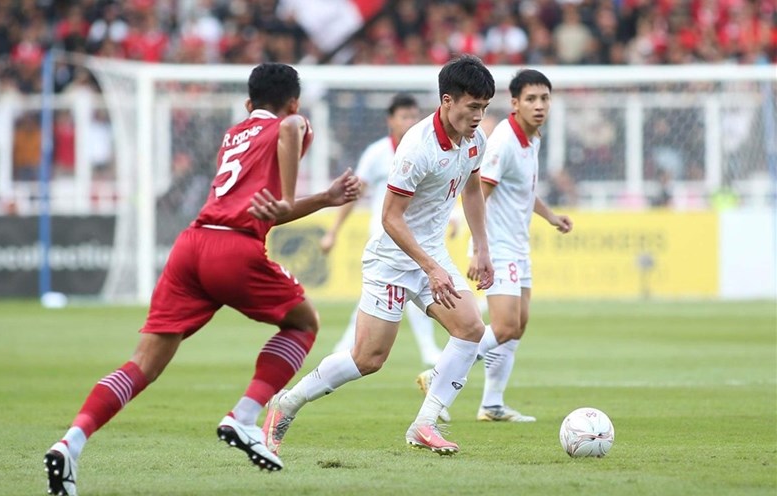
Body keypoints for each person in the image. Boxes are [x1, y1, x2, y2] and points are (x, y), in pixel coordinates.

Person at [43, 62, 361, 495]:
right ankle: (244, 417)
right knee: (304, 323)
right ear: (293, 102)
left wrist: (315, 199)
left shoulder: (233, 136)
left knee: (143, 364)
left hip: (191, 245)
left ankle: (71, 442)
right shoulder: (291, 123)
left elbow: (257, 203)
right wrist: (301, 197)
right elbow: (291, 130)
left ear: (247, 105)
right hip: (233, 247)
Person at [260, 54, 496, 457]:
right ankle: (287, 403)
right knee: (368, 358)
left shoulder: (475, 140)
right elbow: (390, 218)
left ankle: (424, 424)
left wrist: (481, 247)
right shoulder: (416, 149)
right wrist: (430, 267)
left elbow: (472, 191)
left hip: (430, 255)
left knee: (471, 329)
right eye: (472, 106)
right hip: (392, 260)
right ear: (447, 100)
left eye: (484, 108)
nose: (479, 116)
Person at [420, 69, 573, 423]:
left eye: (545, 98)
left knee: (516, 327)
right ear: (515, 103)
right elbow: (478, 194)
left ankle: (491, 404)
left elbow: (523, 190)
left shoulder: (532, 139)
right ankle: (438, 375)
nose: (539, 105)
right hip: (498, 246)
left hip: (518, 245)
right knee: (503, 326)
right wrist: (478, 250)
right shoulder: (503, 141)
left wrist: (550, 216)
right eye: (531, 99)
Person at [320, 93, 443, 366]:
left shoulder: (427, 149)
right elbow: (354, 194)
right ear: (391, 120)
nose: (410, 121)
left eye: (414, 116)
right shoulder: (376, 154)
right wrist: (333, 231)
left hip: (417, 236)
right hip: (386, 237)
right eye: (404, 116)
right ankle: (425, 350)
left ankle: (345, 348)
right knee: (398, 293)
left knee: (407, 292)